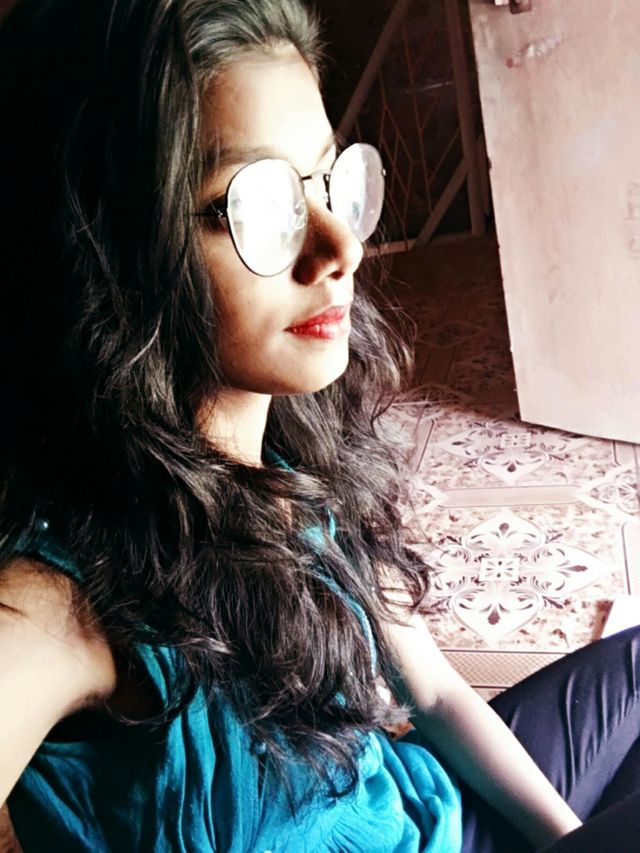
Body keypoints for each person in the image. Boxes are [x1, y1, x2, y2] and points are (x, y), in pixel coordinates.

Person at [0, 1, 639, 851]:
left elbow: (436, 693)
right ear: (105, 253)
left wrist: (568, 839)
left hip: (429, 817)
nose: (342, 246)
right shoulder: (63, 604)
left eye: (328, 181)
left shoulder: (297, 453)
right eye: (256, 205)